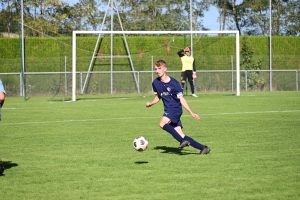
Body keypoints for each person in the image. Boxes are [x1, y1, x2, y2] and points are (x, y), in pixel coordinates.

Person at [145, 60, 210, 155]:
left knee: (162, 123)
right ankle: (203, 148)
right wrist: (151, 103)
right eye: (156, 69)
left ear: (165, 69)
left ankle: (181, 141)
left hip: (175, 109)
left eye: (159, 68)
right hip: (169, 110)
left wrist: (191, 112)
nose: (157, 71)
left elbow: (182, 99)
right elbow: (159, 95)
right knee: (180, 133)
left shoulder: (174, 83)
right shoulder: (155, 83)